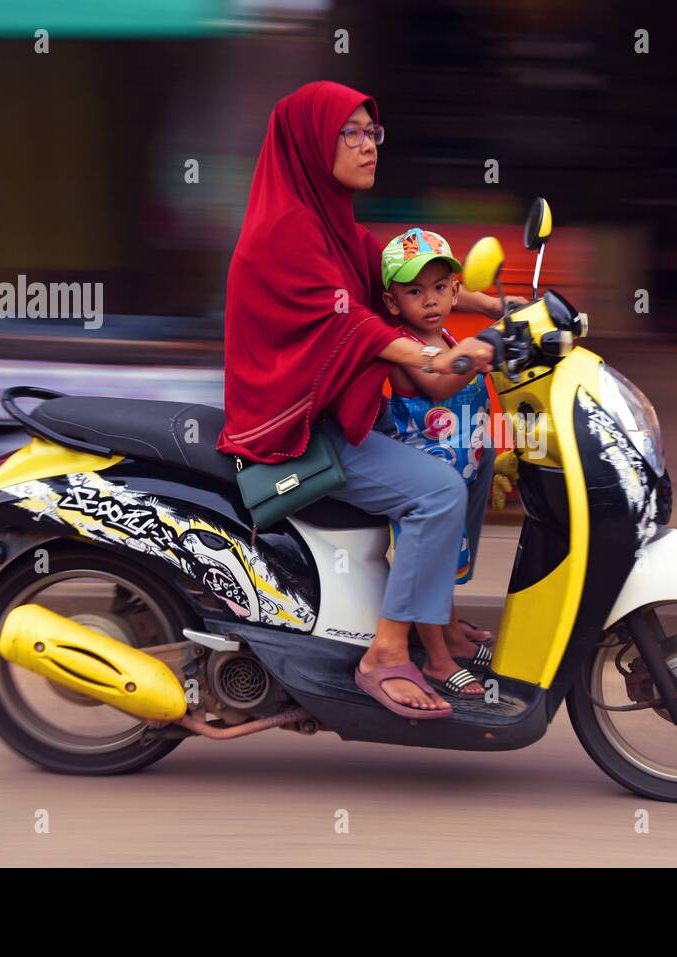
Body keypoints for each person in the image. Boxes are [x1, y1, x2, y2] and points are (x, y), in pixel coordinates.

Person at [215, 81, 504, 719]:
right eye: (351, 133)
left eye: (373, 132)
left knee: (473, 455)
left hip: (336, 416)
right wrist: (433, 355)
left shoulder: (331, 219)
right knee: (434, 491)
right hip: (295, 431)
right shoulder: (286, 232)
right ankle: (388, 652)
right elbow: (353, 325)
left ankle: (442, 625)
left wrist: (494, 306)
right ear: (312, 143)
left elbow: (392, 281)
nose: (368, 146)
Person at [378, 227, 496, 698]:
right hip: (428, 472)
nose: (430, 300)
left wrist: (492, 308)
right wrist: (480, 352)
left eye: (441, 289)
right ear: (393, 302)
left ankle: (448, 632)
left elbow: (458, 300)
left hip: (459, 465)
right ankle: (437, 659)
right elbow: (440, 387)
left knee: (449, 556)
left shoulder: (442, 330)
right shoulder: (405, 345)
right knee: (431, 559)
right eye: (414, 291)